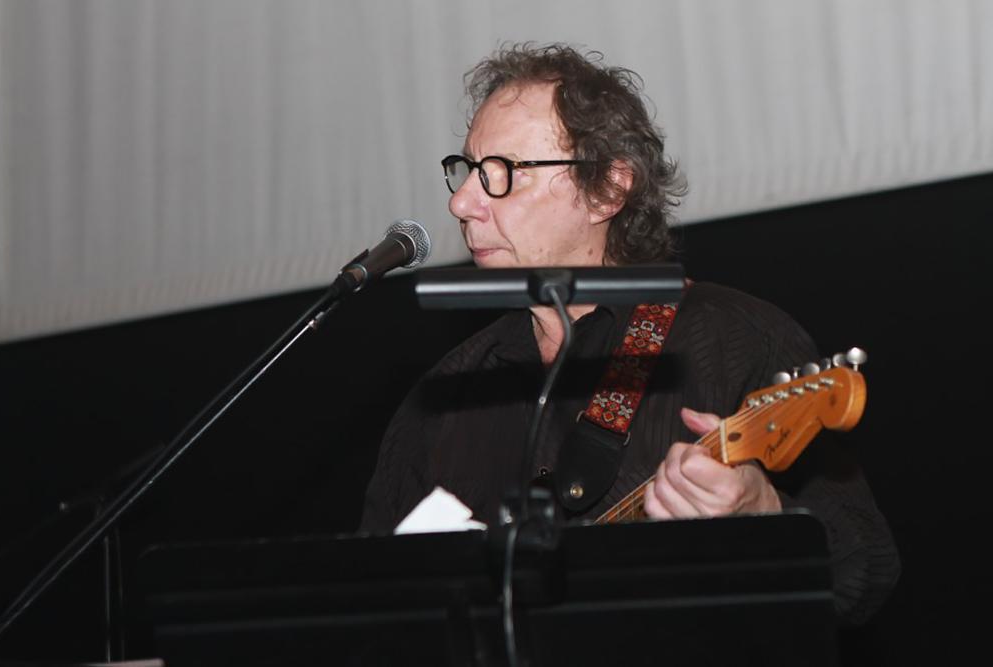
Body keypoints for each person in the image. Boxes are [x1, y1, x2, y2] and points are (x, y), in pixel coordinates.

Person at [359, 43, 899, 624]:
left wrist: (764, 514)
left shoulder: (733, 339)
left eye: (502, 173)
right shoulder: (444, 394)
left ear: (608, 189)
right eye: (467, 170)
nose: (462, 202)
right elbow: (366, 609)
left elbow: (865, 572)